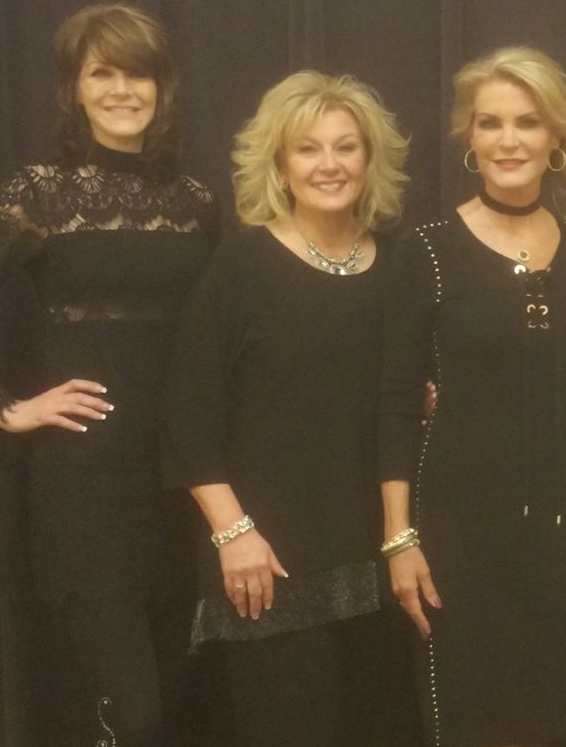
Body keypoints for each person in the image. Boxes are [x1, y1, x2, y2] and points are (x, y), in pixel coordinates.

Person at [0, 3, 218, 745]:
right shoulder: (38, 192)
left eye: (139, 74)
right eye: (103, 73)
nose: (123, 90)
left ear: (163, 88)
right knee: (134, 712)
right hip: (81, 490)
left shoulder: (196, 204)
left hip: (178, 484)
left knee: (177, 703)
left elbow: (230, 335)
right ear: (74, 89)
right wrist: (6, 408)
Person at [161, 70, 415, 746]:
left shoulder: (401, 267)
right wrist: (232, 534)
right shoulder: (239, 269)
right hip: (267, 563)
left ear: (369, 159)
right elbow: (188, 419)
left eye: (345, 146)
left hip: (376, 560)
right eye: (308, 149)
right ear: (280, 164)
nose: (329, 164)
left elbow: (402, 399)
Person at [378, 47, 566, 746]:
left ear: (555, 137)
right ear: (469, 138)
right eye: (491, 123)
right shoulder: (427, 249)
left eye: (527, 122)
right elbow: (393, 403)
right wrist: (399, 539)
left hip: (563, 541)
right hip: (457, 539)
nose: (509, 140)